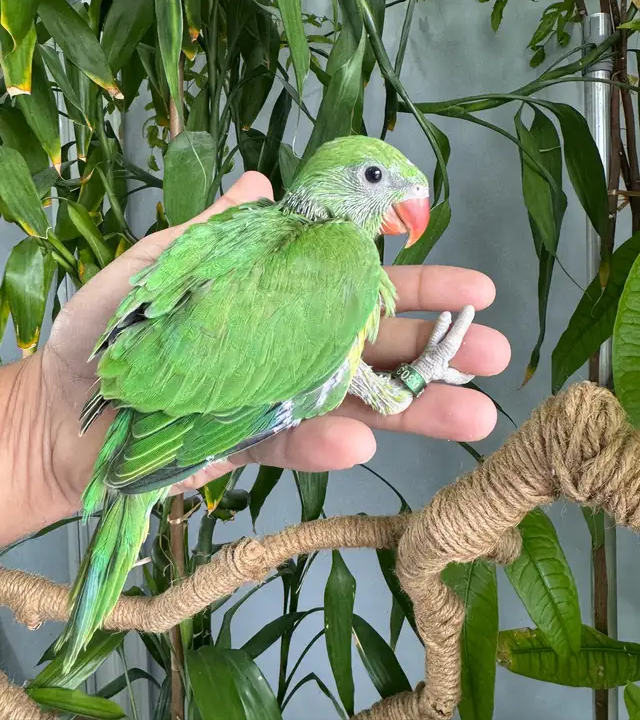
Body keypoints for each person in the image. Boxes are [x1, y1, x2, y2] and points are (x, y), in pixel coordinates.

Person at [0, 172, 510, 548]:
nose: (405, 205)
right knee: (325, 387)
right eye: (375, 178)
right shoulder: (346, 254)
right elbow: (347, 394)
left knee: (326, 380)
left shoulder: (281, 245)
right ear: (331, 181)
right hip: (170, 405)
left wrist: (42, 423)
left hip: (147, 386)